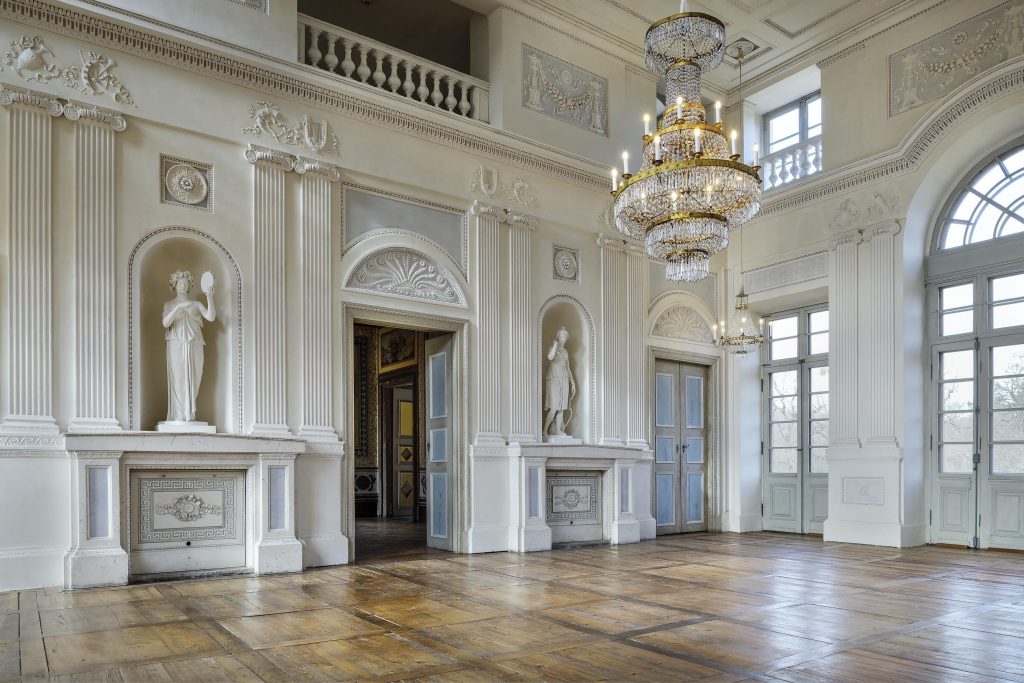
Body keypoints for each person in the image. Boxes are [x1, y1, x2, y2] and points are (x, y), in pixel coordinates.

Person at [162, 270, 216, 422]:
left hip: (194, 343)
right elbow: (165, 323)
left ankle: (190, 412)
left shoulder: (196, 304)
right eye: (180, 283)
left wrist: (210, 297)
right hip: (176, 343)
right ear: (175, 285)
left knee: (194, 376)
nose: (184, 285)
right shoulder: (169, 304)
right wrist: (178, 309)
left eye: (186, 283)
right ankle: (180, 414)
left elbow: (211, 316)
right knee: (179, 378)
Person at [543, 327, 576, 437]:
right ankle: (545, 430)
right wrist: (555, 346)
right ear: (558, 336)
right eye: (562, 335)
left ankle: (558, 431)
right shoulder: (553, 347)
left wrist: (572, 382)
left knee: (562, 407)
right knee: (554, 405)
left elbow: (568, 367)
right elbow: (549, 357)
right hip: (554, 377)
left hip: (564, 378)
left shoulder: (566, 352)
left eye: (565, 336)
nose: (564, 338)